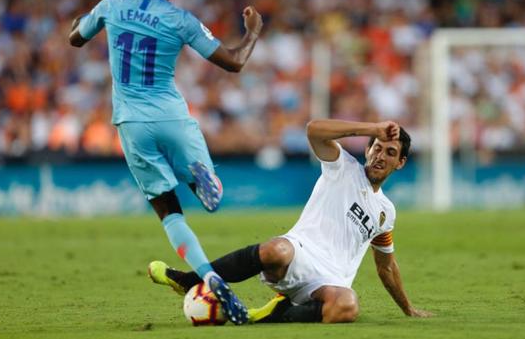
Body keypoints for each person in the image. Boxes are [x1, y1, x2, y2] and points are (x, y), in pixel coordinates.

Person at [68, 0, 263, 325]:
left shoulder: (113, 4)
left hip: (131, 122)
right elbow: (234, 61)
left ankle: (208, 274)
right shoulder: (181, 19)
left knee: (168, 210)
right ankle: (204, 181)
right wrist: (253, 30)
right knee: (209, 191)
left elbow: (75, 36)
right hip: (172, 116)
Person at [149, 119, 432, 323]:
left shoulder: (386, 212)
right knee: (276, 249)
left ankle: (267, 315)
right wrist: (371, 128)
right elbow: (313, 130)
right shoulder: (343, 167)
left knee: (348, 306)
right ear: (368, 148)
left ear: (401, 163)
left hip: (329, 281)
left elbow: (386, 266)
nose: (380, 156)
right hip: (298, 253)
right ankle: (188, 280)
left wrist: (407, 308)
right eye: (377, 148)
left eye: (390, 152)